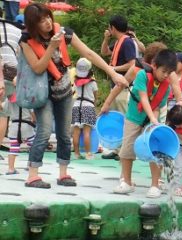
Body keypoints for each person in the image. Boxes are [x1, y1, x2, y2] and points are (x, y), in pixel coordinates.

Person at [20, 3, 128, 188]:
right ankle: (33, 175)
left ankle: (63, 173)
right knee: (44, 131)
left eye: (48, 17)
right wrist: (51, 46)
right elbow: (38, 67)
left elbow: (88, 53)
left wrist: (113, 73)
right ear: (32, 24)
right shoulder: (26, 39)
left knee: (64, 133)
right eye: (41, 20)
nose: (47, 22)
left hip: (64, 90)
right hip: (42, 92)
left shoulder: (64, 33)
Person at [113, 49, 177, 198]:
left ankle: (155, 185)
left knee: (156, 151)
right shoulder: (142, 75)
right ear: (154, 65)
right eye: (164, 71)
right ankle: (127, 182)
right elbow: (143, 98)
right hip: (134, 117)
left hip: (152, 118)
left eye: (169, 72)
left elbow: (157, 106)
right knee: (127, 149)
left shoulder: (165, 85)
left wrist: (153, 123)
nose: (166, 75)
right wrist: (152, 119)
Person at [100, 15, 135, 160]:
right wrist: (107, 38)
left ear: (113, 27)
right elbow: (104, 52)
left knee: (123, 117)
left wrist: (113, 69)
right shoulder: (118, 41)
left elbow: (132, 64)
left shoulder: (127, 42)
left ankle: (126, 150)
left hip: (124, 86)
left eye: (110, 28)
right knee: (116, 118)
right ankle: (116, 148)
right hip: (115, 86)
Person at [3, 78, 35, 175]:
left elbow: (4, 109)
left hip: (14, 126)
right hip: (27, 126)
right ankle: (30, 166)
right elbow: (32, 112)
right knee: (32, 146)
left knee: (13, 148)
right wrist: (34, 119)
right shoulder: (28, 97)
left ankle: (11, 169)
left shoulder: (11, 98)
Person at [0, 17, 21, 160]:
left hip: (1, 73)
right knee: (5, 114)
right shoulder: (17, 30)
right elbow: (21, 54)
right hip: (14, 75)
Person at [72, 58, 98, 160]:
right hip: (88, 106)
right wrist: (94, 106)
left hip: (76, 105)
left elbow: (74, 92)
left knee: (76, 132)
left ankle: (77, 153)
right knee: (87, 132)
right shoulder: (93, 83)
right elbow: (95, 96)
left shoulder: (75, 81)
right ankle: (88, 154)